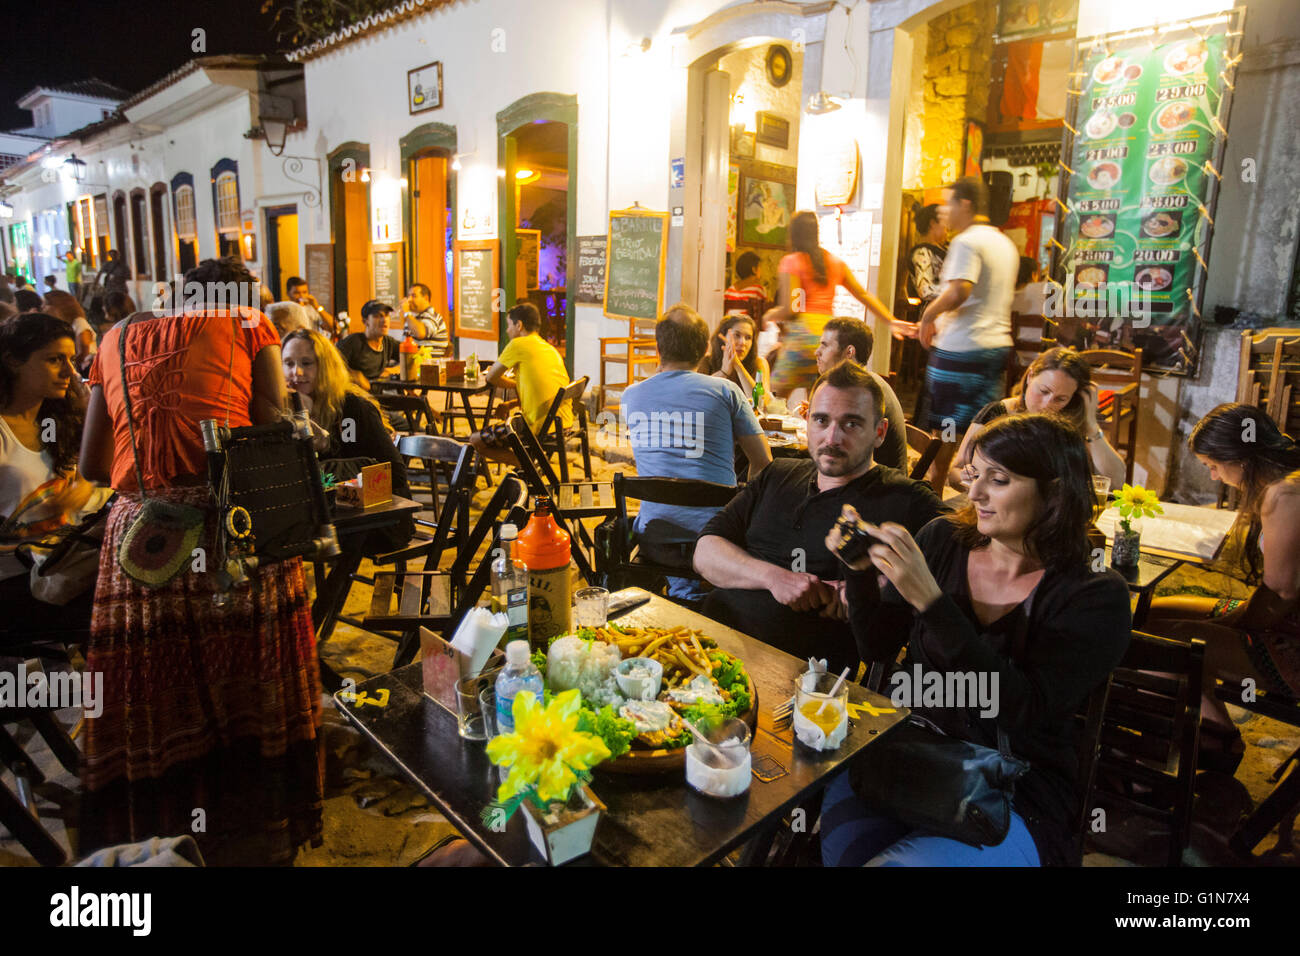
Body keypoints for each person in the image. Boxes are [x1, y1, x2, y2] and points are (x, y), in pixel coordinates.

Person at [77, 256, 324, 865]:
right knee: (249, 680)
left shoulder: (113, 340)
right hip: (228, 527)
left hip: (141, 540)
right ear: (241, 299)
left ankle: (168, 833)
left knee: (157, 687)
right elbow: (267, 429)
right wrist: (304, 428)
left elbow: (90, 465)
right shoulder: (246, 326)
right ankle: (254, 826)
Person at [821, 413, 1131, 867]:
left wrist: (932, 601)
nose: (975, 493)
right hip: (909, 758)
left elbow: (1021, 709)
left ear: (1057, 492)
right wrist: (859, 572)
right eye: (974, 474)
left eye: (999, 480)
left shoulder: (1094, 594)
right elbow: (879, 648)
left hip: (1015, 788)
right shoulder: (944, 538)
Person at [693, 361, 945, 671]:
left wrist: (870, 588)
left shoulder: (907, 499)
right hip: (708, 644)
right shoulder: (777, 473)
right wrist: (776, 579)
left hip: (802, 675)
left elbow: (957, 566)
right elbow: (705, 552)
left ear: (879, 433)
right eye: (821, 420)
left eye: (851, 423)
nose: (832, 437)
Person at [1147, 404, 1300, 767]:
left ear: (1240, 457)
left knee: (1159, 643)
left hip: (1290, 633)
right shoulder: (1284, 479)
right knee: (1155, 612)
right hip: (1280, 615)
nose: (1214, 476)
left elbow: (1282, 591)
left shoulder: (1285, 495)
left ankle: (1216, 742)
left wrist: (1223, 627)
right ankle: (1211, 727)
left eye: (1213, 465)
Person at [623, 305, 771, 601]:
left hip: (656, 539)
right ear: (706, 347)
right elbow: (763, 463)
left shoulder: (631, 396)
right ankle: (694, 597)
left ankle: (684, 594)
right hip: (718, 540)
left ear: (657, 347)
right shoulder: (727, 392)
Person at [895, 177, 1019, 493]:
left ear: (965, 204)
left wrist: (928, 315)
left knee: (945, 430)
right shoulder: (1004, 244)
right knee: (984, 427)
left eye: (950, 203)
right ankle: (984, 498)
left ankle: (935, 495)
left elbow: (960, 289)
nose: (947, 212)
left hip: (961, 349)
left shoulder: (967, 242)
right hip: (994, 346)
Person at [0, 313, 98, 646]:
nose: (70, 372)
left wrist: (83, 490)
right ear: (13, 361)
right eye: (54, 360)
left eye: (70, 360)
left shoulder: (58, 422)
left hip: (63, 568)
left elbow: (86, 480)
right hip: (17, 581)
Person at [282, 328, 413, 552]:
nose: (297, 372)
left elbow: (395, 474)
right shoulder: (285, 409)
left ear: (325, 367)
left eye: (307, 363)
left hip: (380, 520)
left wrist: (325, 447)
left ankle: (330, 588)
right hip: (329, 514)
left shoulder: (353, 406)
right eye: (289, 363)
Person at [764, 211, 900, 407]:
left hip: (802, 337)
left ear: (793, 233)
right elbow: (863, 294)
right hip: (828, 340)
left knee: (774, 398)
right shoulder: (834, 262)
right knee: (818, 402)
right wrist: (890, 320)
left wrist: (769, 315)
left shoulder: (792, 261)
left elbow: (790, 308)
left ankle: (770, 436)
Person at [948, 347, 1126, 491]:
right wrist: (966, 478)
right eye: (1044, 391)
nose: (1048, 403)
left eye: (1061, 399)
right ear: (1031, 376)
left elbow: (1116, 482)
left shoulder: (1070, 424)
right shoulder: (999, 413)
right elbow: (955, 472)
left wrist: (1091, 424)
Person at [473, 302, 571, 466]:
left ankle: (527, 466)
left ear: (519, 325)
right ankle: (528, 465)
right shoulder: (549, 348)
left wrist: (512, 385)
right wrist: (512, 403)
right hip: (563, 424)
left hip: (539, 428)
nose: (507, 330)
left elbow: (490, 378)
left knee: (476, 440)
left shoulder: (518, 344)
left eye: (509, 325)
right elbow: (539, 390)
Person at [807, 317, 908, 473]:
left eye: (825, 346)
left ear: (849, 352)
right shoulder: (865, 384)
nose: (817, 352)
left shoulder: (865, 391)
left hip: (876, 487)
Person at [696, 313, 771, 405]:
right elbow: (698, 395)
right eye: (737, 335)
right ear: (722, 337)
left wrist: (738, 366)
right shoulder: (707, 361)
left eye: (748, 338)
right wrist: (724, 372)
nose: (742, 342)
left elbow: (761, 403)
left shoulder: (760, 363)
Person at [337, 299, 400, 389]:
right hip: (356, 398)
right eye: (377, 316)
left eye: (386, 315)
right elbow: (330, 365)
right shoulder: (353, 342)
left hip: (379, 396)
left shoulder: (388, 342)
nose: (384, 320)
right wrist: (353, 375)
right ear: (365, 321)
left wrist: (395, 369)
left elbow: (413, 355)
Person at [41, 289, 98, 376]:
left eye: (46, 304)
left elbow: (83, 353)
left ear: (58, 306)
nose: (42, 307)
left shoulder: (79, 323)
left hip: (87, 372)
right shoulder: (65, 324)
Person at [907, 203, 948, 312]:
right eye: (944, 222)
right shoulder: (922, 252)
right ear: (933, 223)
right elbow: (925, 291)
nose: (947, 227)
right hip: (933, 316)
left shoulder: (941, 249)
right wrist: (954, 292)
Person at [400, 282, 450, 356]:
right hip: (410, 363)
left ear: (426, 298)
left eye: (414, 296)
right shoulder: (414, 318)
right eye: (408, 296)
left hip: (427, 366)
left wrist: (407, 313)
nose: (409, 300)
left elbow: (421, 333)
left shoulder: (433, 317)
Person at [724, 251, 768, 328]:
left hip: (730, 329)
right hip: (748, 330)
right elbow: (764, 313)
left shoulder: (729, 290)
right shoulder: (758, 290)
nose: (761, 270)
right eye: (760, 267)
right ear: (754, 269)